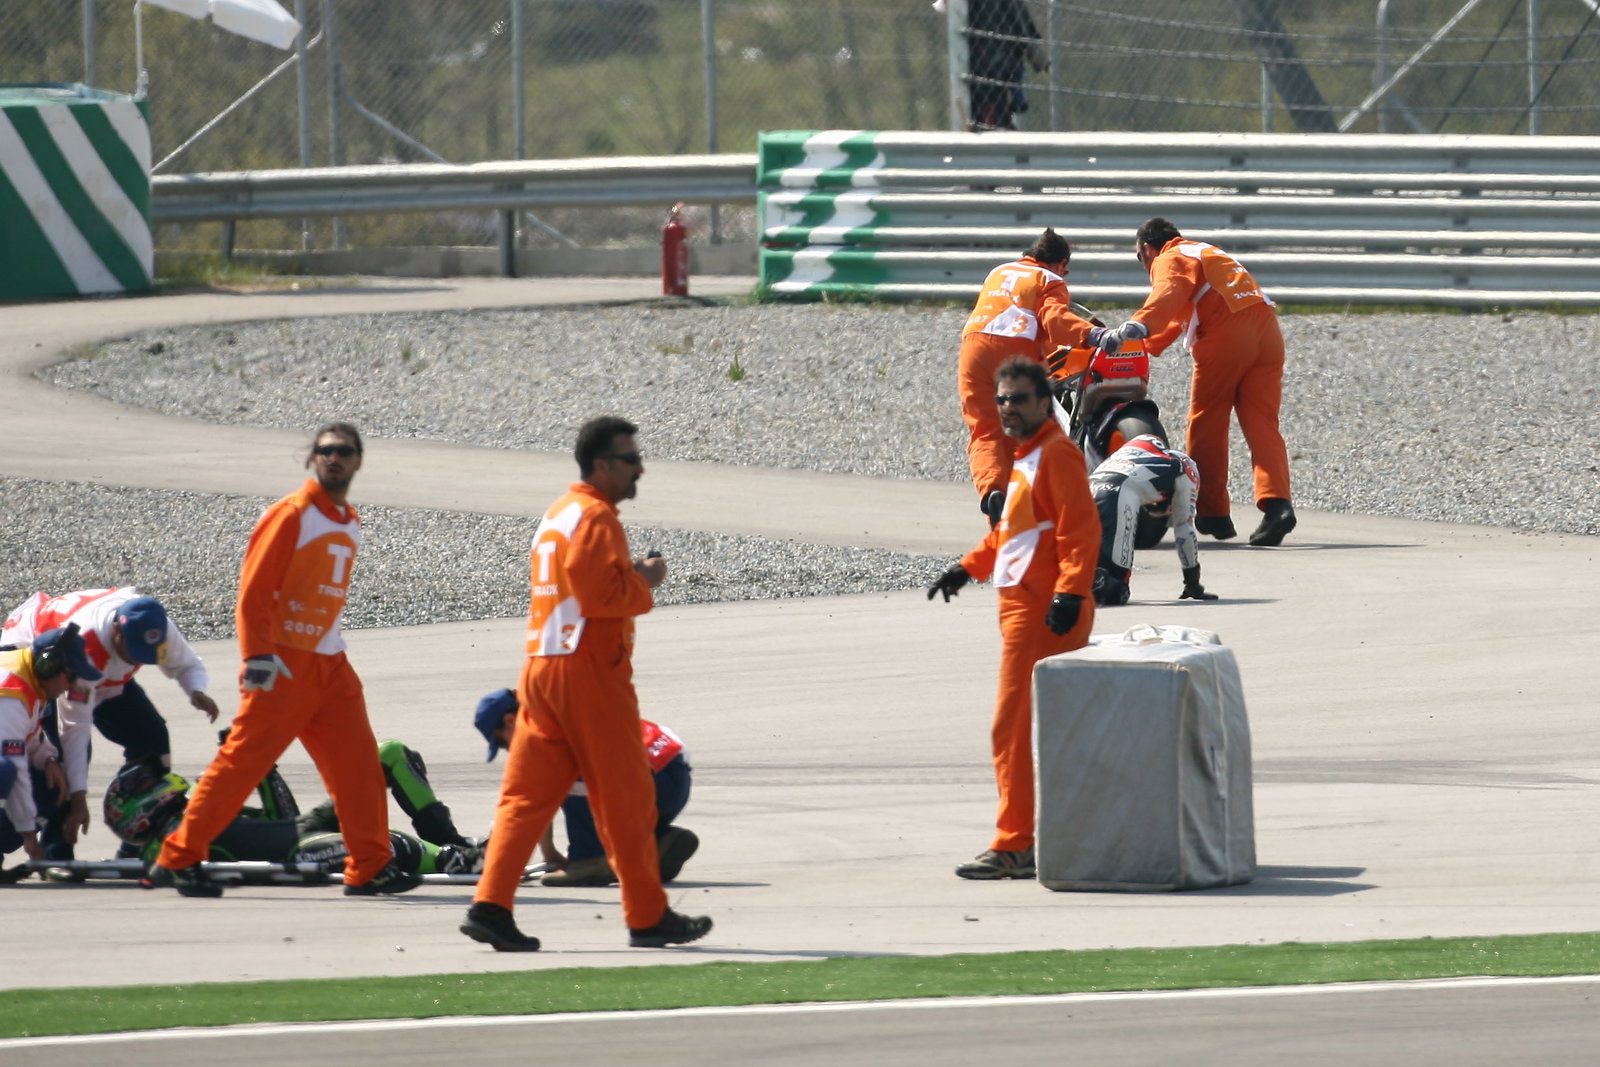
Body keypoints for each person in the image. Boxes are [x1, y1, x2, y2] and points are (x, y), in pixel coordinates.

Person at [460, 416, 712, 952]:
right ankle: (647, 917)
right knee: (626, 795)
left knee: (524, 799)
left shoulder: (559, 512)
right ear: (601, 465)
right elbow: (598, 593)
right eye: (629, 458)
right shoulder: (597, 516)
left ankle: (490, 905)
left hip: (542, 667)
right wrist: (645, 581)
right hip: (587, 672)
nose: (639, 466)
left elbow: (574, 585)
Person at [151, 422, 419, 899]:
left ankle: (370, 867)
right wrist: (258, 657)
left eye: (344, 452)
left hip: (331, 666)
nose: (334, 458)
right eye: (326, 451)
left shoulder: (349, 520)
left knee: (358, 768)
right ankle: (180, 857)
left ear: (358, 462)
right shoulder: (291, 514)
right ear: (312, 459)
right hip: (283, 665)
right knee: (241, 767)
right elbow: (254, 590)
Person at [928, 358, 1100, 880]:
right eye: (1002, 399)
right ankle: (1057, 837)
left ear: (1045, 403)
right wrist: (967, 567)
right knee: (1049, 731)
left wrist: (1070, 593)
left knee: (1012, 728)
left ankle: (1014, 844)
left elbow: (1081, 530)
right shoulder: (1027, 456)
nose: (1007, 407)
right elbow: (1012, 533)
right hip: (1025, 607)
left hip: (1043, 611)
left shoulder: (1057, 455)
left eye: (1019, 398)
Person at [1116, 217, 1297, 546]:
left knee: (1206, 420)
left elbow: (1167, 293)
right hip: (1267, 333)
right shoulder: (1206, 252)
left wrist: (1138, 326)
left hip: (1229, 335)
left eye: (1140, 259)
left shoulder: (1169, 257)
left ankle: (1213, 514)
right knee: (1263, 425)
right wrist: (1144, 342)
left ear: (1146, 249)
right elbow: (1179, 313)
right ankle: (1278, 507)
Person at [1, 588, 217, 861]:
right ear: (116, 630)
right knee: (63, 762)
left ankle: (139, 840)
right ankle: (56, 851)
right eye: (134, 652)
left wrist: (195, 689)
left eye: (145, 655)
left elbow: (186, 663)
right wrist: (79, 799)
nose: (137, 659)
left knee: (151, 738)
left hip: (100, 674)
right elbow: (74, 730)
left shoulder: (154, 625)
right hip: (45, 660)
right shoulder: (82, 650)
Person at [959, 228, 1110, 526]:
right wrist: (1092, 334)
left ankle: (993, 492)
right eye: (1065, 270)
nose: (1064, 276)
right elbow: (1054, 319)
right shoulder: (1050, 279)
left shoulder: (998, 272)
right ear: (1058, 264)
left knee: (986, 431)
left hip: (973, 348)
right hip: (1014, 353)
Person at [474, 687, 698, 887]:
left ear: (511, 720)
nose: (508, 750)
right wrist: (548, 852)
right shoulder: (559, 700)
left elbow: (529, 803)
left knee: (560, 778)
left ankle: (589, 860)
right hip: (674, 770)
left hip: (644, 784)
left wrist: (509, 860)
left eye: (502, 742)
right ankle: (656, 845)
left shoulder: (539, 733)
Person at [1, 625, 101, 866]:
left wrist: (48, 759)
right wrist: (28, 837)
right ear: (49, 666)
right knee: (5, 770)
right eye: (71, 675)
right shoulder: (10, 694)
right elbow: (15, 767)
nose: (73, 685)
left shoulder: (27, 678)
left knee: (53, 783)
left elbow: (30, 737)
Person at [1088, 434, 1219, 606]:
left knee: (1090, 557)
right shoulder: (1185, 467)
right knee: (1117, 591)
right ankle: (1087, 585)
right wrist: (1192, 582)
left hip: (1089, 486)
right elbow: (1184, 529)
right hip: (1119, 490)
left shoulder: (1143, 456)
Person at [964, 0, 1050, 131]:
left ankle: (998, 131)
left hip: (994, 61)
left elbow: (1021, 22)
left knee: (992, 110)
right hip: (991, 60)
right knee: (989, 109)